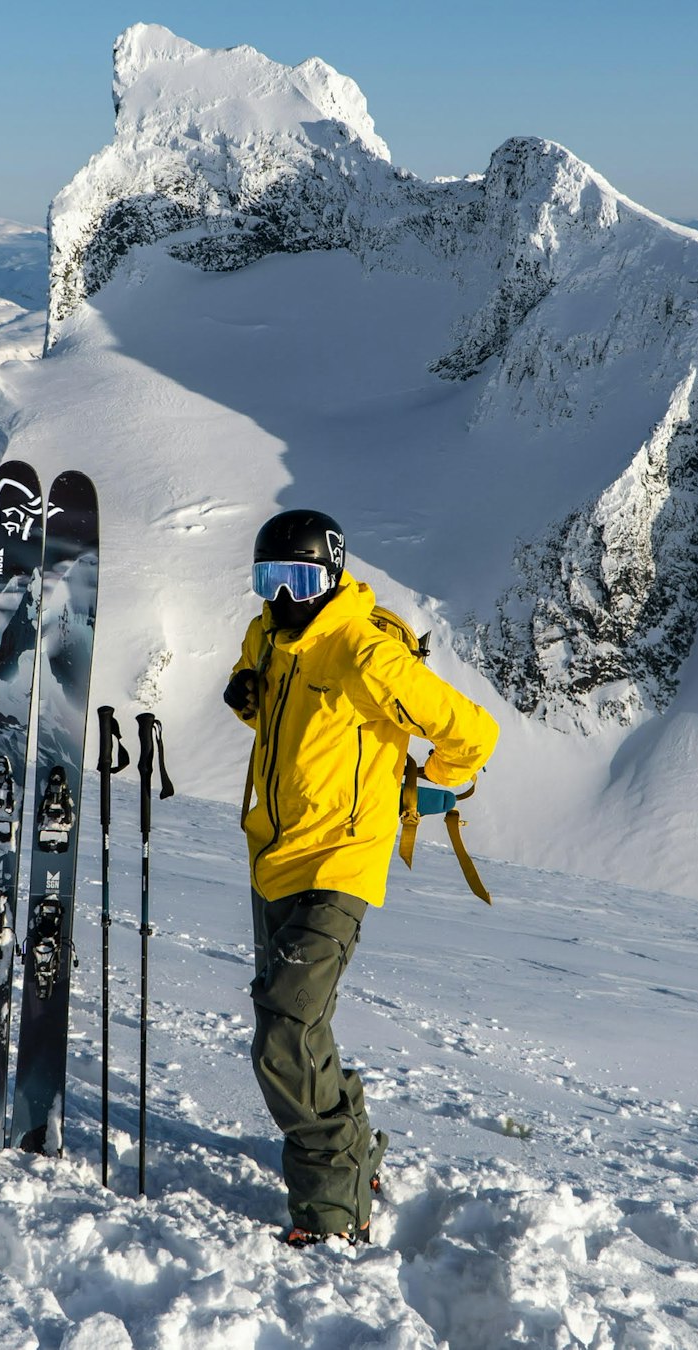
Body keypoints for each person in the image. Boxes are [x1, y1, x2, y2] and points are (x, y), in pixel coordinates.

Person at [224, 508, 499, 1247]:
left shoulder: (366, 654)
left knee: (284, 1025)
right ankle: (355, 1147)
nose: (282, 596)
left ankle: (330, 1205)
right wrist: (246, 696)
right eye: (268, 579)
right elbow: (283, 715)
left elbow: (473, 731)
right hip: (274, 856)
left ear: (332, 574)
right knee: (300, 1022)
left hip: (341, 862)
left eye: (300, 578)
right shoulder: (269, 637)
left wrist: (428, 787)